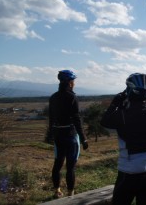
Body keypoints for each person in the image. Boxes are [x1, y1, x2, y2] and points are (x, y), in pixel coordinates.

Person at [100, 73, 146, 205]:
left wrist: (115, 103)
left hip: (129, 172)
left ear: (130, 90)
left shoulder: (121, 115)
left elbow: (104, 121)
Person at [48, 70, 88, 198]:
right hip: (71, 135)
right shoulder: (72, 97)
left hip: (58, 135)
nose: (74, 84)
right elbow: (76, 119)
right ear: (70, 83)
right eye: (73, 81)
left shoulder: (53, 97)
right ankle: (71, 194)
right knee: (70, 167)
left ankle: (57, 191)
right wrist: (83, 138)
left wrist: (50, 134)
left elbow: (51, 118)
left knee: (57, 164)